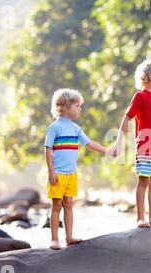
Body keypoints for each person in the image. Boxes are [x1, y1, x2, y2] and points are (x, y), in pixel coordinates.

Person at [45, 88, 109, 250]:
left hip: (72, 174)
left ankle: (69, 237)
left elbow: (89, 143)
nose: (80, 109)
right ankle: (54, 239)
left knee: (68, 204)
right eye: (77, 106)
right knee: (56, 205)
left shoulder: (75, 128)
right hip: (58, 174)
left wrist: (106, 150)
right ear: (64, 107)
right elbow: (47, 149)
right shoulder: (54, 127)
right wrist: (51, 171)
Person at [109, 60, 151, 228]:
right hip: (145, 145)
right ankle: (140, 218)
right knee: (143, 180)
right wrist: (119, 142)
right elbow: (127, 118)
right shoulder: (139, 96)